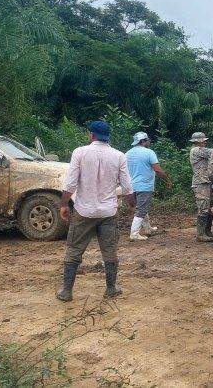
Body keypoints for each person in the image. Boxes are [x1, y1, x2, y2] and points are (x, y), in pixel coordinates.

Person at [57, 120, 135, 302]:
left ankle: (67, 292)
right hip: (108, 212)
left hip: (84, 211)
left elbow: (70, 183)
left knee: (74, 249)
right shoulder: (119, 156)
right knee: (110, 250)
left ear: (91, 135)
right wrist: (132, 206)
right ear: (108, 137)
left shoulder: (80, 152)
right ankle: (111, 288)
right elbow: (128, 187)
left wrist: (63, 205)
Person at [126, 132, 171, 241]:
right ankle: (134, 233)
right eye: (148, 140)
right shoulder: (149, 152)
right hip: (144, 186)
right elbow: (157, 169)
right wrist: (167, 180)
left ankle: (148, 229)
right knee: (141, 209)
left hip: (130, 186)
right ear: (143, 141)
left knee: (141, 208)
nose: (149, 142)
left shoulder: (127, 153)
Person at [189, 132, 213, 243]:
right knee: (203, 208)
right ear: (197, 141)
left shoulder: (199, 150)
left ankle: (207, 232)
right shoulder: (196, 150)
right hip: (200, 183)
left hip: (205, 182)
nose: (205, 141)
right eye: (203, 140)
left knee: (209, 208)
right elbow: (212, 153)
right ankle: (200, 234)